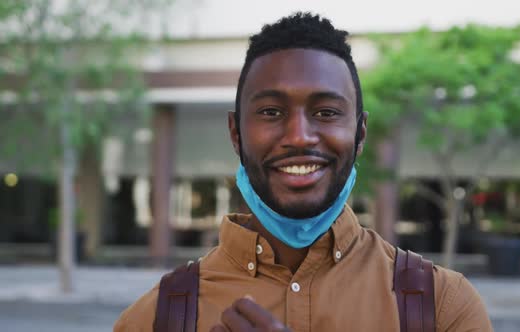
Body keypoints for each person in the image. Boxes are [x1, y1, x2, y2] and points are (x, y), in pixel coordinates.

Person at [114, 12, 493, 332]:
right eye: (271, 112)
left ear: (360, 133)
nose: (298, 136)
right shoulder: (154, 318)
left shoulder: (442, 306)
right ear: (236, 133)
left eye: (326, 112)